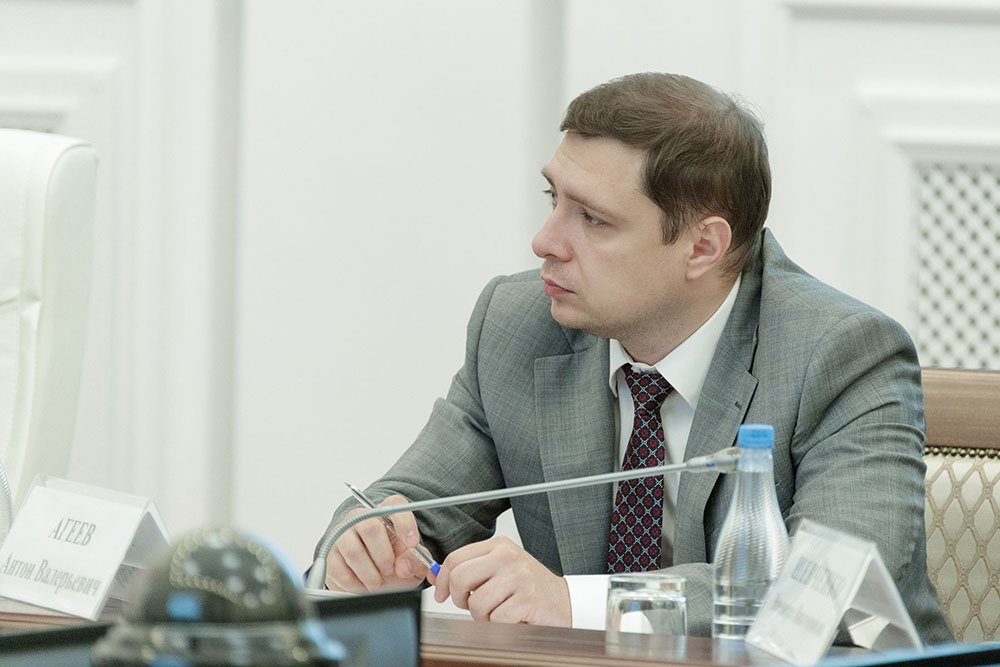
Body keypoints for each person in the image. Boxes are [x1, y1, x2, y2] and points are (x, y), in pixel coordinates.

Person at [316, 72, 951, 643]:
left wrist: (575, 603)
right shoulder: (518, 325)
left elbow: (828, 595)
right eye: (553, 200)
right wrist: (365, 545)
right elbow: (411, 504)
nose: (544, 242)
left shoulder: (841, 353)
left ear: (703, 246)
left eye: (593, 219)